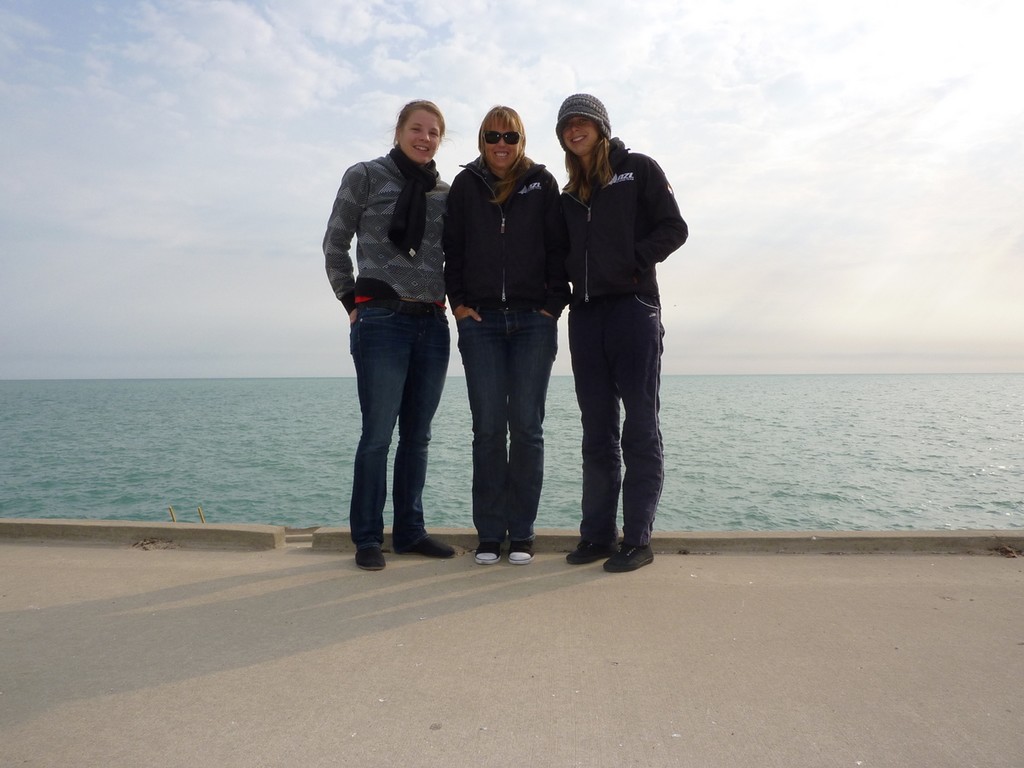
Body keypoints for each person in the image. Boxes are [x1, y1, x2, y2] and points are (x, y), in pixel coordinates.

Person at [555, 94, 688, 573]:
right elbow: (557, 257)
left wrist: (631, 261)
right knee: (597, 431)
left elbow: (675, 228)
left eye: (582, 121)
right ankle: (597, 536)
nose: (574, 129)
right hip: (586, 315)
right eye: (567, 124)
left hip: (634, 309)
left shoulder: (637, 170)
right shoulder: (569, 193)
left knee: (639, 427)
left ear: (600, 126)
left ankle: (638, 539)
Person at [323, 100, 456, 571]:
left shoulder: (444, 190)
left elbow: (455, 256)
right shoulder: (364, 175)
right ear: (398, 130)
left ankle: (410, 532)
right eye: (417, 129)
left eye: (434, 132)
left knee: (417, 437)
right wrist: (349, 301)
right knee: (378, 435)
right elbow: (335, 242)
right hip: (380, 320)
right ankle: (367, 538)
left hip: (432, 323)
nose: (425, 138)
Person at [444, 106, 570, 566]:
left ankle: (523, 534)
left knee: (528, 429)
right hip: (481, 324)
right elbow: (451, 248)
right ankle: (490, 535)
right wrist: (457, 302)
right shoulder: (465, 185)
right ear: (481, 139)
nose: (502, 144)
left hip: (533, 321)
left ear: (522, 140)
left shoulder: (542, 183)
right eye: (493, 136)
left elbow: (559, 247)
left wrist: (554, 303)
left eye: (510, 137)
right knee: (489, 431)